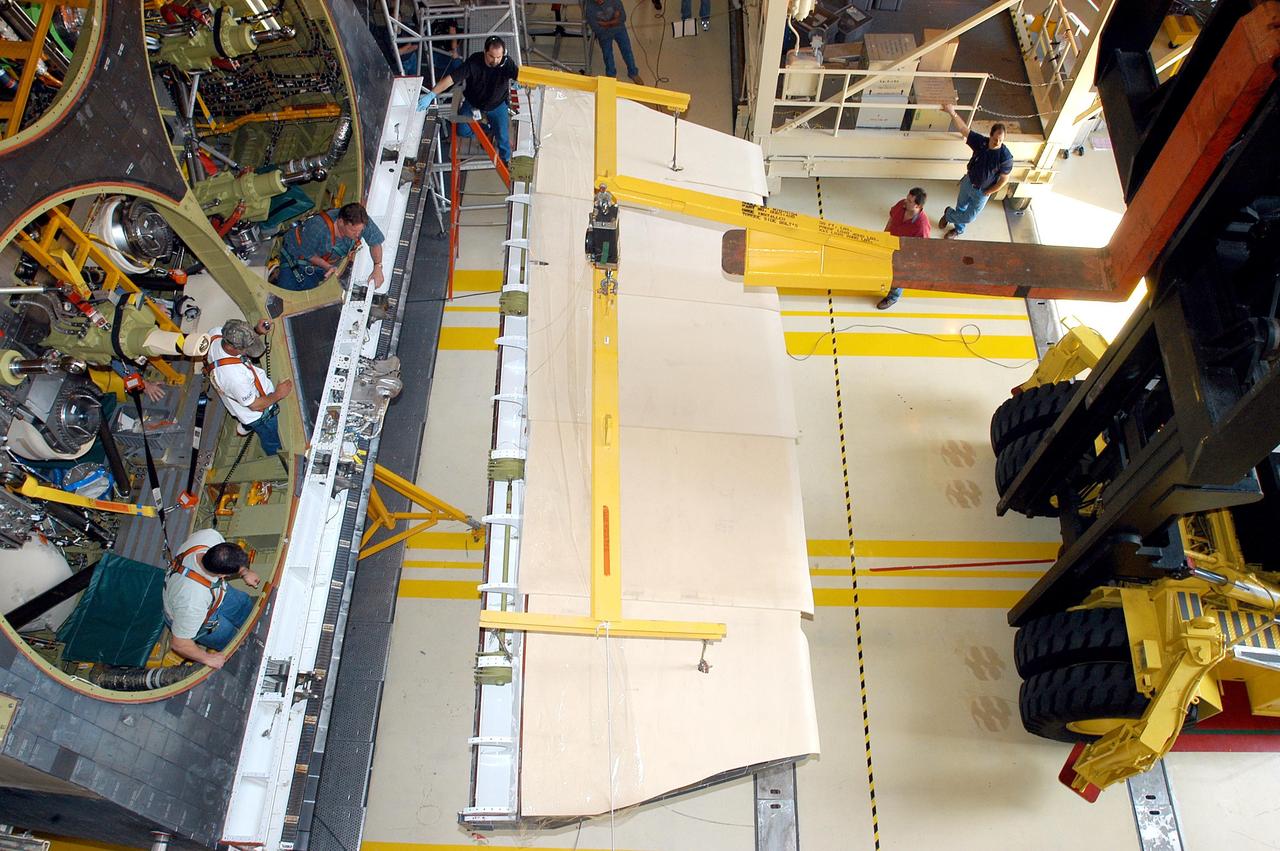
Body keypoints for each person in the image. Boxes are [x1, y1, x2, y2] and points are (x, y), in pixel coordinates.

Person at [162, 528, 261, 669]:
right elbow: (179, 643)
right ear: (222, 575)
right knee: (230, 636)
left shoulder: (209, 536)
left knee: (243, 603)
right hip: (195, 617)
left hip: (216, 592)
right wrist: (208, 658)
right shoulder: (192, 601)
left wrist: (245, 572)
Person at [417, 35, 520, 164]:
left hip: (496, 105)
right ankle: (488, 131)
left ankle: (506, 162)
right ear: (485, 52)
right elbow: (450, 79)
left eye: (499, 57)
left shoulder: (506, 63)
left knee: (503, 138)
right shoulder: (474, 62)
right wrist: (431, 95)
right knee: (463, 130)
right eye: (492, 57)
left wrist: (520, 81)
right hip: (474, 103)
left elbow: (520, 76)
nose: (496, 61)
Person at [206, 318, 292, 457]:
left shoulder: (215, 334)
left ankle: (246, 425)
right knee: (271, 440)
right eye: (246, 348)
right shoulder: (235, 378)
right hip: (257, 414)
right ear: (232, 348)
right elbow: (255, 405)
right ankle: (275, 458)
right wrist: (278, 394)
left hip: (238, 400)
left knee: (241, 410)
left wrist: (257, 331)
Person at [271, 202, 386, 292]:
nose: (357, 235)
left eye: (360, 231)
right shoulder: (318, 228)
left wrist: (377, 266)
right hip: (297, 259)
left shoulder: (360, 221)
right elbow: (308, 254)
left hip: (327, 262)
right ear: (341, 222)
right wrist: (329, 267)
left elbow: (375, 242)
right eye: (353, 231)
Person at [937, 103, 1012, 239]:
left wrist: (988, 192)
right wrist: (952, 113)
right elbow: (964, 129)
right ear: (990, 135)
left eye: (1001, 140)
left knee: (969, 217)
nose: (997, 142)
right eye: (995, 139)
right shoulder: (981, 142)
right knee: (960, 207)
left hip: (982, 192)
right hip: (968, 182)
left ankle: (948, 214)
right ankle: (958, 230)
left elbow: (1004, 179)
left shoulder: (1005, 156)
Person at [876, 187, 931, 310]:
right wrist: (884, 236)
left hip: (904, 253)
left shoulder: (921, 226)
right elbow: (891, 218)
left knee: (899, 275)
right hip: (891, 243)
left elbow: (920, 248)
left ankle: (892, 297)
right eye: (907, 198)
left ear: (918, 206)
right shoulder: (902, 205)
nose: (906, 202)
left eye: (910, 201)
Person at [583, 0, 643, 85]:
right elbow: (596, 28)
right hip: (604, 34)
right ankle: (611, 76)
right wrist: (614, 20)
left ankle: (633, 73)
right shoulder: (589, 7)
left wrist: (605, 24)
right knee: (607, 55)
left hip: (620, 30)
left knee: (627, 51)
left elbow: (622, 18)